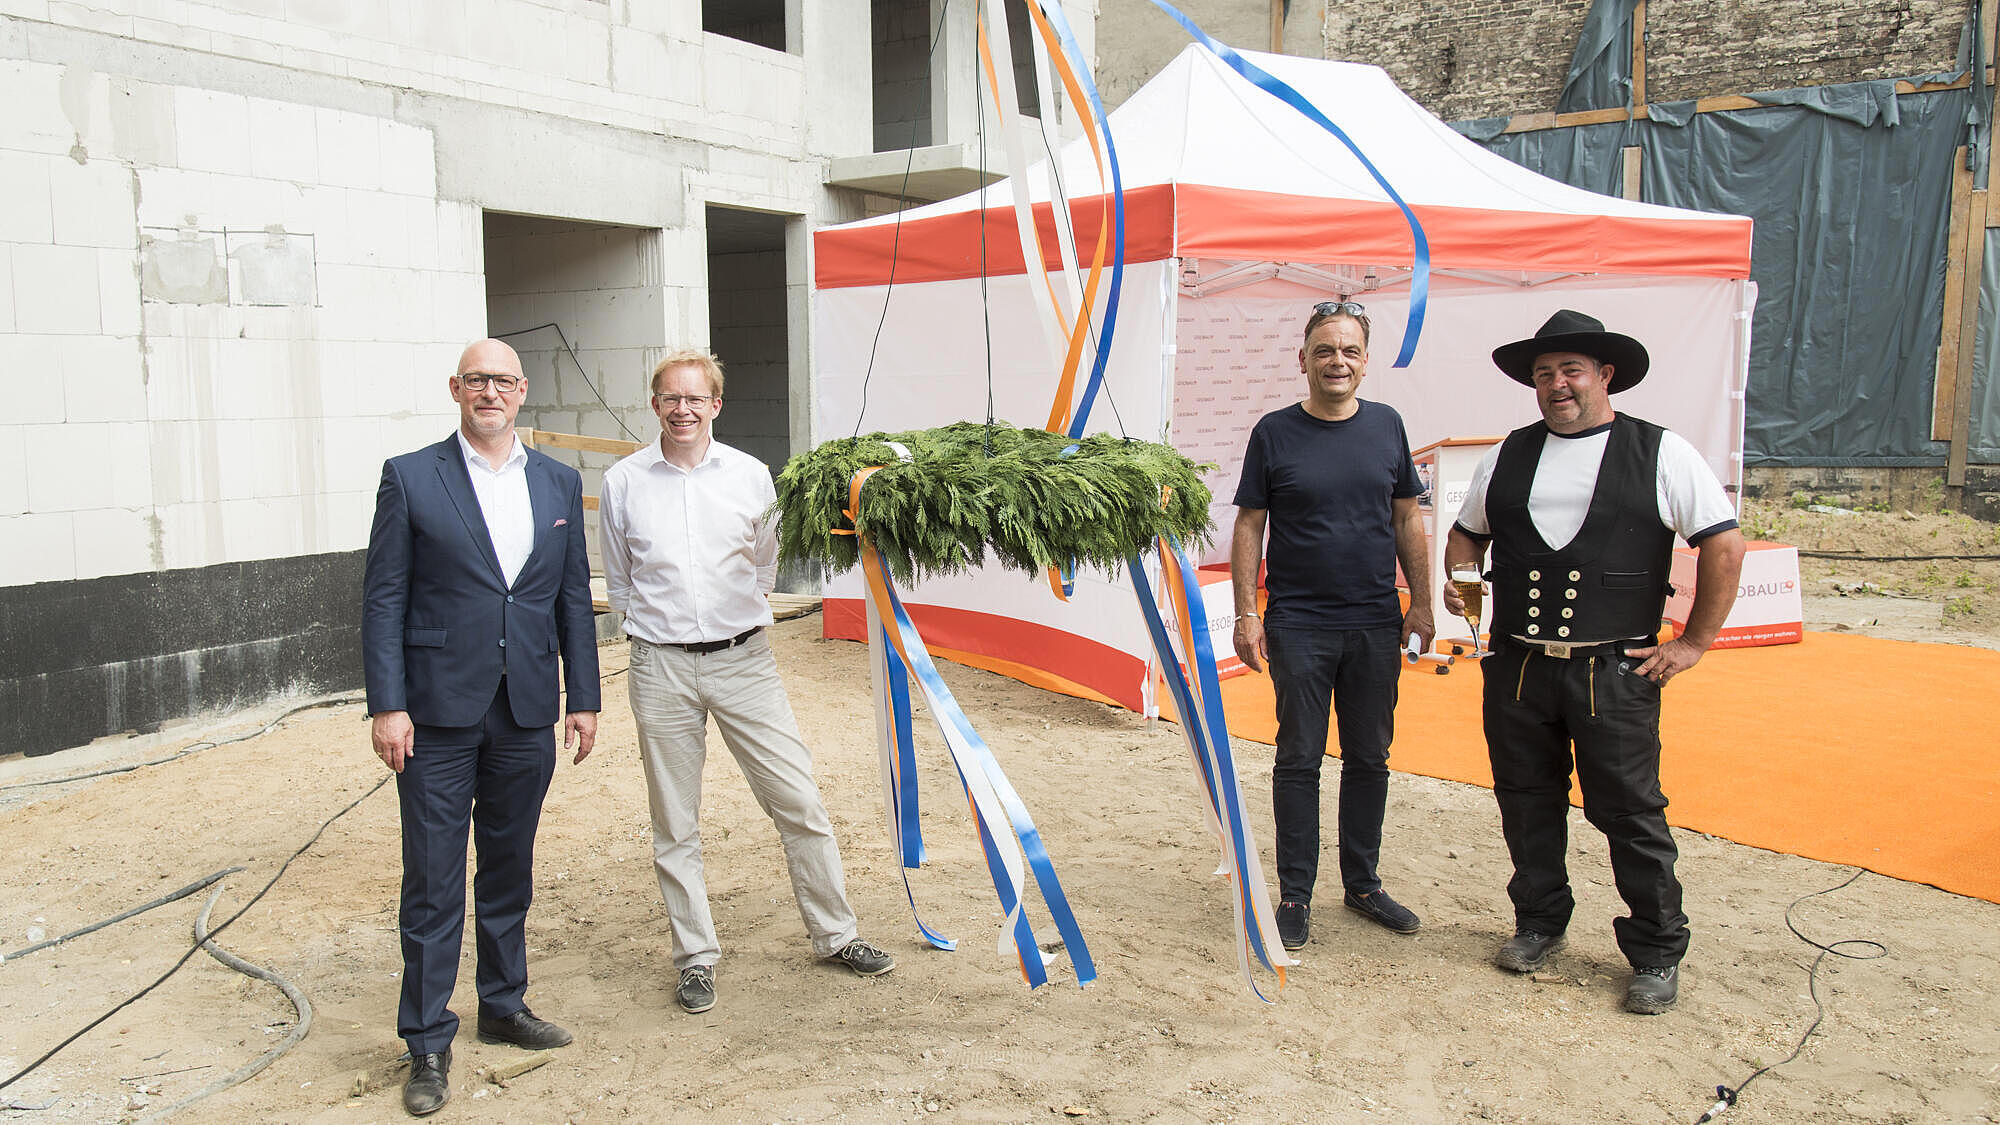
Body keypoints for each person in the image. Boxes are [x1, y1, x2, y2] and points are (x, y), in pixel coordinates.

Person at [1443, 308, 1746, 1015]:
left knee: (1630, 811)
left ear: (1605, 375)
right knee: (1526, 801)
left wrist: (1693, 642)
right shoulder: (1508, 454)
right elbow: (1465, 536)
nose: (1557, 384)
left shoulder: (1661, 452)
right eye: (1544, 373)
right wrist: (1467, 594)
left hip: (1614, 670)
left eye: (1571, 370)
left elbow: (1724, 547)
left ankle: (1656, 949)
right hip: (1518, 666)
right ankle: (1539, 922)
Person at [598, 348, 894, 1016]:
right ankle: (695, 958)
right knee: (675, 820)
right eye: (671, 398)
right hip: (661, 665)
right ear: (655, 405)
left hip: (744, 660)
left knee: (798, 799)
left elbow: (764, 564)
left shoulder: (751, 476)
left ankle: (836, 933)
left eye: (695, 398)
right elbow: (619, 578)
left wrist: (733, 620)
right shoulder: (624, 482)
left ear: (715, 405)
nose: (682, 409)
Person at [361, 339, 601, 1116]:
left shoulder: (558, 481)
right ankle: (427, 1038)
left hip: (526, 708)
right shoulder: (411, 475)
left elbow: (571, 600)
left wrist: (584, 696)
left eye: (501, 380)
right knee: (432, 881)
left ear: (522, 391)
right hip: (432, 713)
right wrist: (386, 703)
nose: (488, 391)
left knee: (508, 868)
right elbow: (383, 598)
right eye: (475, 380)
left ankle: (503, 1003)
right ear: (455, 389)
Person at [1231, 301, 1434, 951]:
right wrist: (1246, 612)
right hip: (1299, 624)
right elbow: (1249, 525)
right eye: (1324, 350)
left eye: (1348, 350)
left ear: (1366, 361)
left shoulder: (1388, 428)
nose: (1336, 361)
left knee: (1370, 755)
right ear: (1304, 360)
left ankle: (1364, 884)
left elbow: (1408, 519)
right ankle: (1295, 893)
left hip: (1376, 621)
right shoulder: (1274, 433)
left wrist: (1423, 602)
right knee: (1298, 757)